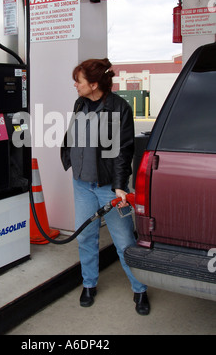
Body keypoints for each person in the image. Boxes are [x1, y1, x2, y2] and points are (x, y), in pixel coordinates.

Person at [61, 58, 150, 315]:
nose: (75, 85)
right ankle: (89, 284)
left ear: (94, 83)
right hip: (81, 185)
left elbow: (124, 151)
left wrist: (121, 186)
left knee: (124, 241)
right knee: (86, 237)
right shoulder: (81, 103)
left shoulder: (119, 108)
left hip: (108, 188)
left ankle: (140, 288)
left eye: (78, 81)